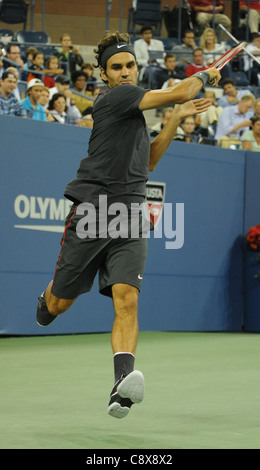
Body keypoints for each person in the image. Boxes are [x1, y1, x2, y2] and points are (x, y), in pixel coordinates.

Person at [36, 31, 220, 419]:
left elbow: (149, 162)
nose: (124, 72)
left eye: (129, 66)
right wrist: (205, 73)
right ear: (105, 76)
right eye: (116, 68)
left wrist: (172, 122)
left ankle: (121, 387)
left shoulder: (134, 114)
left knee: (128, 297)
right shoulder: (116, 98)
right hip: (93, 211)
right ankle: (49, 295)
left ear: (136, 68)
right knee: (57, 306)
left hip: (132, 213)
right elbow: (185, 88)